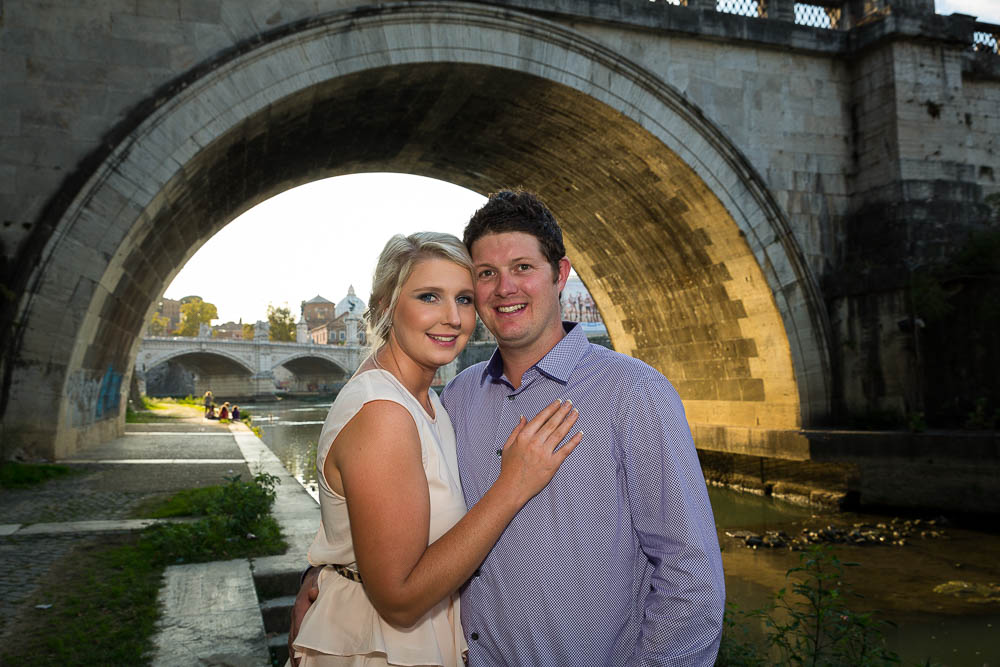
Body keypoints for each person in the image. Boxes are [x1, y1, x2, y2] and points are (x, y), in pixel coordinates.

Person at [293, 191, 725, 665]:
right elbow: (377, 515)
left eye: (523, 267)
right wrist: (331, 575)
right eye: (486, 275)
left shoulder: (633, 393)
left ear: (559, 276)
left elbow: (691, 577)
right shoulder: (457, 398)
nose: (504, 289)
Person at [289, 232, 581, 667]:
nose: (452, 318)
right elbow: (401, 599)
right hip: (382, 649)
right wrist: (513, 485)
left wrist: (328, 571)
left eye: (464, 299)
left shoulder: (428, 400)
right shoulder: (384, 413)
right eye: (429, 296)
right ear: (386, 306)